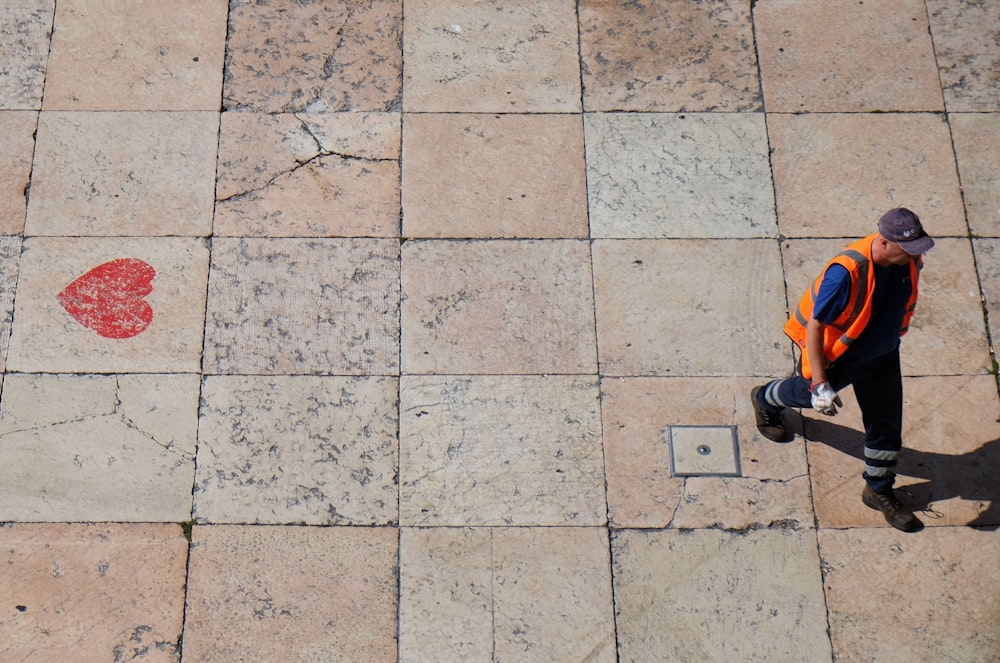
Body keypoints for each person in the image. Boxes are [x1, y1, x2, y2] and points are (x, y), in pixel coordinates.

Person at [751, 208, 934, 532]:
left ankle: (878, 489)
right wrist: (820, 383)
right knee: (805, 396)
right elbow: (816, 325)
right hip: (841, 358)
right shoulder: (847, 272)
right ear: (884, 242)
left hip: (882, 355)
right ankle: (766, 398)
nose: (913, 257)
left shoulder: (908, 261)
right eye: (907, 249)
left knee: (886, 424)